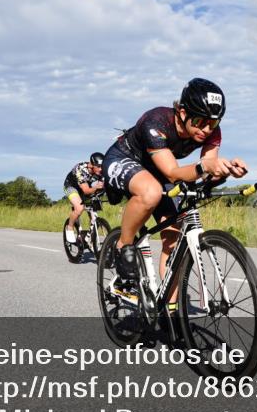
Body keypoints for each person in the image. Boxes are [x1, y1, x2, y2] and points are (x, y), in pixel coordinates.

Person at [102, 78, 248, 302]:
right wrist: (204, 167)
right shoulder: (157, 121)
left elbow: (205, 172)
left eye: (214, 123)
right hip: (124, 157)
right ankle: (123, 246)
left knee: (174, 240)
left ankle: (171, 314)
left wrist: (225, 171)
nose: (207, 129)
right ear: (181, 111)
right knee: (150, 192)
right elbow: (172, 172)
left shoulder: (210, 132)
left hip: (158, 168)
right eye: (200, 121)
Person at [62, 153, 105, 246]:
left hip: (85, 185)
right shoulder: (81, 170)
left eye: (102, 166)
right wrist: (97, 187)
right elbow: (86, 191)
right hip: (71, 186)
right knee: (79, 208)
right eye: (98, 166)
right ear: (91, 165)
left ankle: (89, 237)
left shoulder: (100, 170)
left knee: (93, 209)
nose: (101, 169)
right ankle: (70, 227)